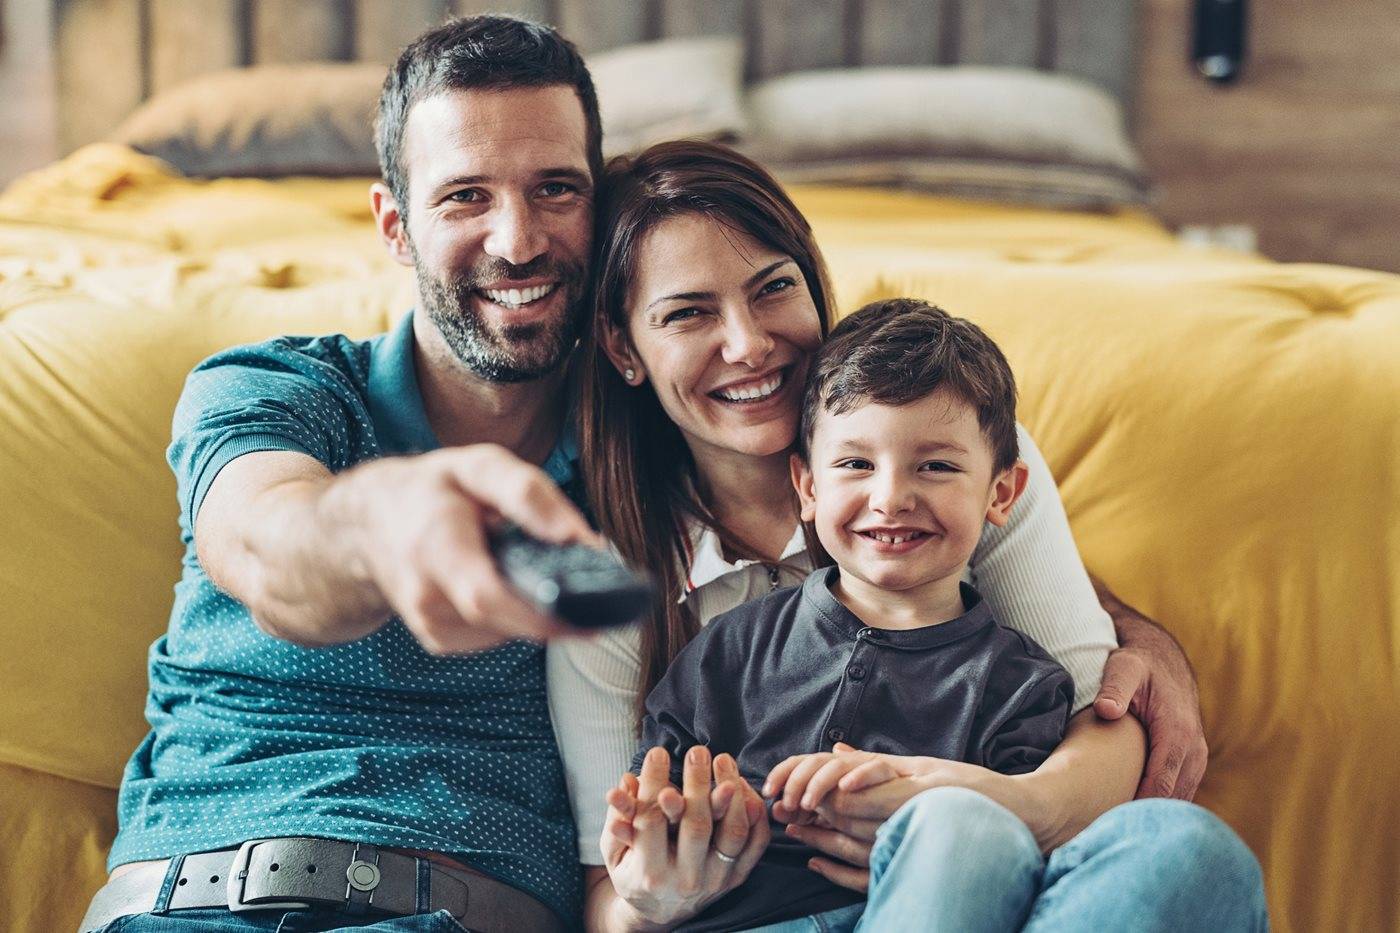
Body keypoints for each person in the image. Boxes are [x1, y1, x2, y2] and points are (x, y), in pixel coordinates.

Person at [80, 13, 1211, 932]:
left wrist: (1121, 631)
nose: (518, 239)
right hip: (186, 901)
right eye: (464, 195)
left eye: (556, 188)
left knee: (1181, 860)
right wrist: (385, 521)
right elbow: (271, 541)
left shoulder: (647, 464)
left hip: (465, 914)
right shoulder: (279, 397)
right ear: (392, 226)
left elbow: (925, 535)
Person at [548, 142, 1267, 931]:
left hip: (978, 889)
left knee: (1190, 852)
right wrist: (658, 894)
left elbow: (1098, 718)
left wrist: (978, 802)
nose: (748, 344)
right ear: (623, 347)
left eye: (773, 288)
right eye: (687, 312)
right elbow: (609, 894)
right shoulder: (617, 578)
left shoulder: (960, 447)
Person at [623, 297, 1083, 930]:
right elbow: (652, 806)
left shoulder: (1022, 687)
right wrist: (665, 825)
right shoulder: (728, 649)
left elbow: (1019, 865)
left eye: (937, 466)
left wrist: (923, 828)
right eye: (855, 465)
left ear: (1000, 493)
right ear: (809, 487)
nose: (891, 497)